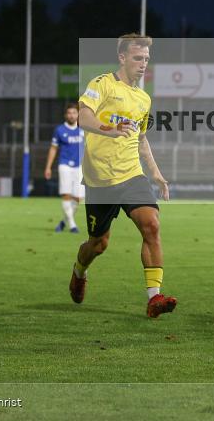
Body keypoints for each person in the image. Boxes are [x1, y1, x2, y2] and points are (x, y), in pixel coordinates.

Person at [69, 34, 177, 318]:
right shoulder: (102, 84)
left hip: (131, 175)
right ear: (122, 58)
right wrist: (108, 129)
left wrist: (156, 174)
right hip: (100, 180)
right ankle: (79, 271)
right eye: (138, 58)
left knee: (151, 225)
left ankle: (154, 298)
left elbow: (141, 140)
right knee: (98, 244)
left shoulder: (143, 98)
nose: (143, 64)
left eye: (146, 59)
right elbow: (84, 117)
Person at [45, 103, 84, 233]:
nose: (71, 115)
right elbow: (53, 148)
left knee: (78, 198)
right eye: (69, 113)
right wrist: (48, 167)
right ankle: (72, 225)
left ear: (78, 114)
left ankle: (63, 222)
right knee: (66, 194)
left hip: (80, 167)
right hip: (65, 165)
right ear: (65, 115)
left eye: (74, 113)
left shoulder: (83, 130)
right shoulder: (60, 130)